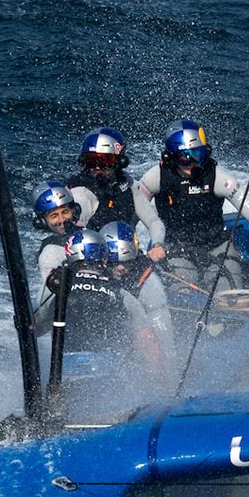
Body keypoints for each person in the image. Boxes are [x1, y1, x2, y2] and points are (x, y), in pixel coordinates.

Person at [138, 118, 249, 292]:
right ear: (171, 157)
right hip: (175, 250)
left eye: (198, 155)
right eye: (186, 158)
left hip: (217, 248)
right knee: (181, 291)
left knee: (228, 291)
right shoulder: (157, 177)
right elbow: (135, 210)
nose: (194, 163)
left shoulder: (217, 177)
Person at [59, 230, 166, 376]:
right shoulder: (120, 293)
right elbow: (148, 341)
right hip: (107, 370)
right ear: (104, 259)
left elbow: (36, 325)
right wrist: (158, 380)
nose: (121, 269)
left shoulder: (57, 287)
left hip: (63, 369)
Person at [67, 128, 166, 256]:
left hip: (126, 255)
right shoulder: (80, 191)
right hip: (93, 258)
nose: (97, 168)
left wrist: (157, 245)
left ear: (120, 162)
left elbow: (153, 221)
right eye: (91, 161)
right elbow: (77, 222)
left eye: (105, 161)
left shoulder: (128, 185)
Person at [99, 220, 175, 358]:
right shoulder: (93, 269)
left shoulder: (149, 282)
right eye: (113, 263)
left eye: (126, 262)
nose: (120, 269)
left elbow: (164, 339)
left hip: (142, 336)